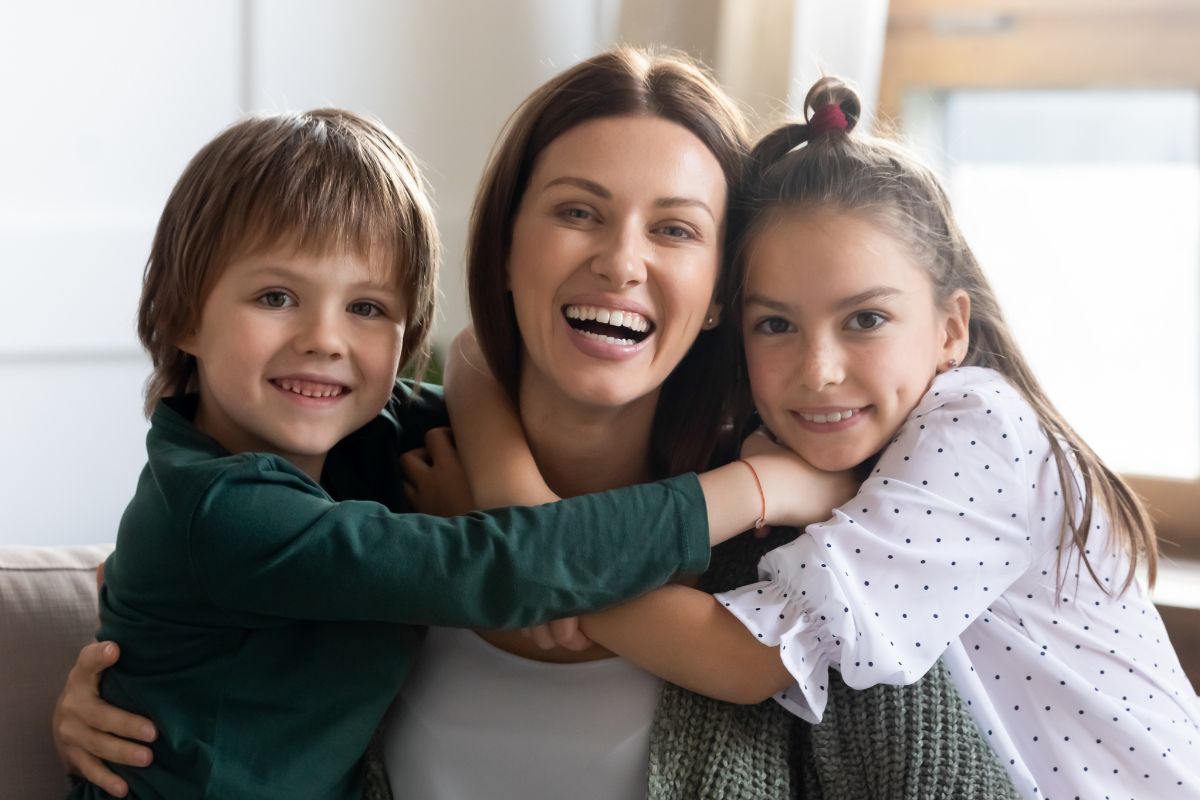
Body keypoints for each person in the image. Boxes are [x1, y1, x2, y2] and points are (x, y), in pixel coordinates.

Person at [54, 51, 1019, 800]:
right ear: (505, 248)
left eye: (675, 228)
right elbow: (173, 581)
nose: (622, 262)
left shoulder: (821, 558)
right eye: (576, 212)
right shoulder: (377, 477)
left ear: (723, 290)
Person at [527, 77, 1200, 799]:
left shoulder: (980, 428)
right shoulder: (804, 443)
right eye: (777, 325)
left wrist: (521, 553)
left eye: (866, 320)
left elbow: (745, 659)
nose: (818, 372)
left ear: (950, 329)